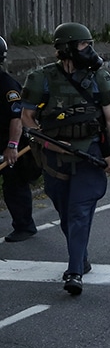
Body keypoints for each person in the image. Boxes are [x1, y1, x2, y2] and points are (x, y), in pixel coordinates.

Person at [20, 22, 110, 296]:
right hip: (54, 157)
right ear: (66, 48)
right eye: (83, 45)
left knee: (79, 211)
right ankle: (81, 256)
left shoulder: (99, 77)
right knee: (65, 213)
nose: (88, 50)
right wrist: (48, 142)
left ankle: (74, 271)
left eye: (89, 44)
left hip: (89, 154)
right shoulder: (41, 78)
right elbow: (27, 118)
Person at [2, 34, 38, 243]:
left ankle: (24, 226)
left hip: (8, 143)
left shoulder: (7, 85)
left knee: (14, 186)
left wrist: (12, 145)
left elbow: (16, 117)